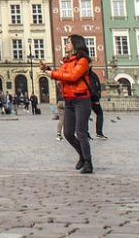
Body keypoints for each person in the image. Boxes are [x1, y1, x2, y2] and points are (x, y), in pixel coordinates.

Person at [43, 34, 93, 174]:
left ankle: (88, 162)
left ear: (75, 45)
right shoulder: (66, 62)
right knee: (68, 133)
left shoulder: (82, 61)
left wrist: (52, 74)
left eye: (68, 43)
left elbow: (73, 77)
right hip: (69, 100)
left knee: (81, 132)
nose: (66, 45)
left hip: (82, 99)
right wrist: (48, 70)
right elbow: (61, 75)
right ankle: (82, 155)